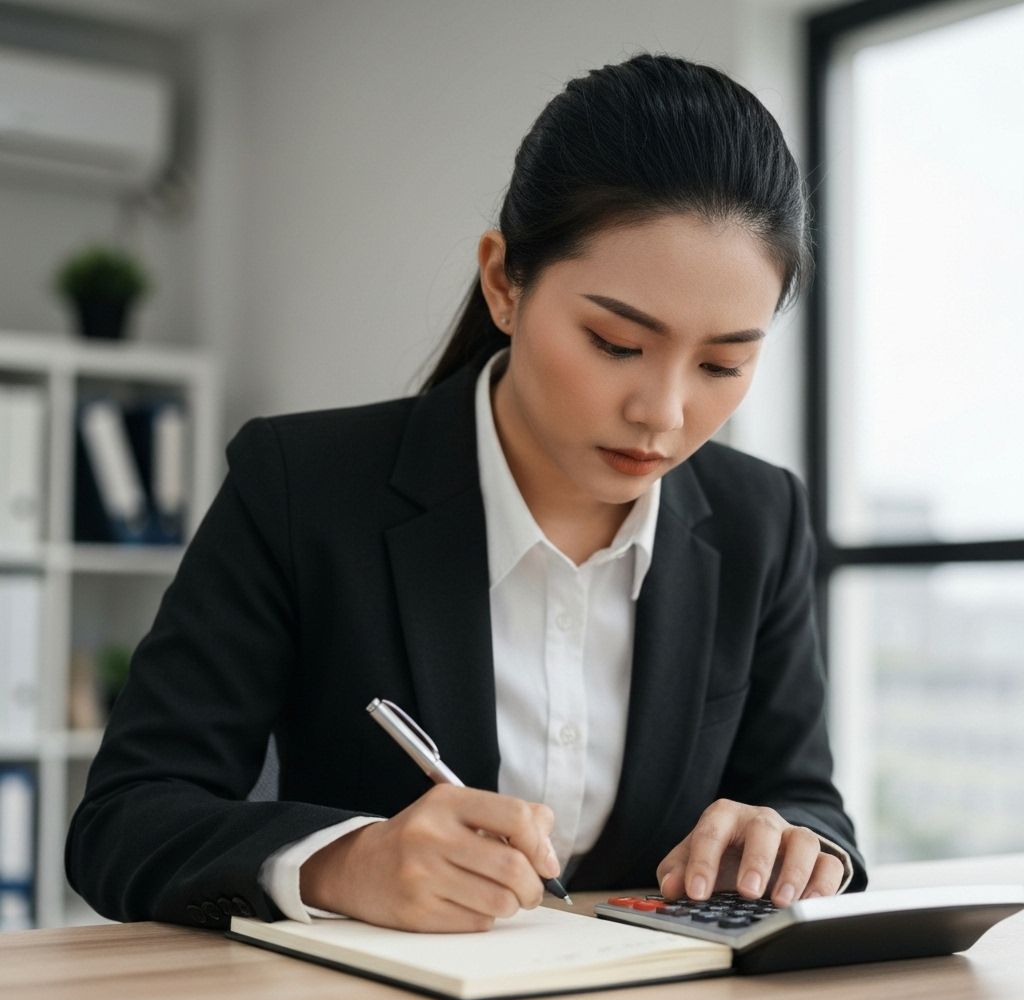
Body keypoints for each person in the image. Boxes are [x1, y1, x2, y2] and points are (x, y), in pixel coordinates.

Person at [66, 52, 866, 935]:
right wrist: (344, 863)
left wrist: (794, 844)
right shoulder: (301, 486)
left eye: (723, 363)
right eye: (613, 343)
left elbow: (805, 803)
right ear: (503, 283)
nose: (664, 412)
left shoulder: (761, 520)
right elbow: (124, 820)